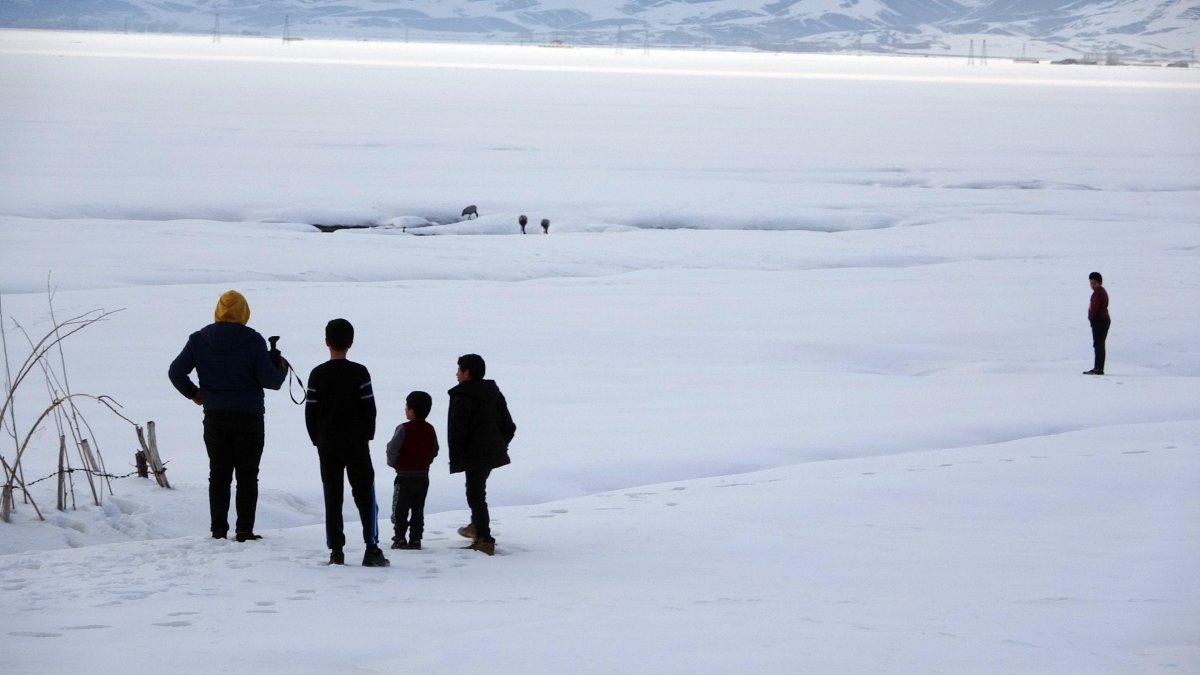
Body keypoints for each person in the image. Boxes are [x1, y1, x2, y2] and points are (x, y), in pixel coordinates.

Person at [169, 290, 287, 542]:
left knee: (219, 474)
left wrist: (195, 394)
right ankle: (244, 530)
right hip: (249, 416)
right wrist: (280, 366)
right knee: (247, 474)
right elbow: (272, 381)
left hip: (215, 415)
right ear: (244, 312)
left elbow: (176, 372)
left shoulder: (199, 339)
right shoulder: (253, 340)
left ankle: (218, 530)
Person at [305, 318, 388, 567]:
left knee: (333, 496)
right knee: (365, 494)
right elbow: (370, 408)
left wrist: (317, 439)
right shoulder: (360, 372)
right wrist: (367, 434)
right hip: (356, 442)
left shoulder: (317, 374)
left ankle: (336, 551)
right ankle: (371, 548)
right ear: (351, 342)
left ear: (326, 342)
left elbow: (311, 412)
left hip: (327, 444)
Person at [447, 354, 516, 556]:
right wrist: (498, 446)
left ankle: (484, 538)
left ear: (467, 372)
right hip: (489, 453)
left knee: (475, 494)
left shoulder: (463, 395)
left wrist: (459, 456)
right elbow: (509, 426)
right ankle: (476, 526)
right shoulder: (493, 393)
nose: (456, 374)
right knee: (477, 491)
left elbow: (457, 430)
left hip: (474, 455)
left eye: (459, 370)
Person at [385, 391, 439, 550]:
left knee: (399, 509)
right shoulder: (430, 429)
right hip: (423, 477)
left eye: (406, 407)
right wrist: (426, 462)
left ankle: (400, 538)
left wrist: (394, 464)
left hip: (403, 477)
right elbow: (434, 449)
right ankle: (416, 539)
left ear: (412, 410)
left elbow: (392, 449)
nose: (405, 409)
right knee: (418, 508)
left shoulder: (403, 428)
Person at [1084, 272, 1111, 375]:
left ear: (1099, 282)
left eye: (1094, 283)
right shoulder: (1097, 292)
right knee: (1098, 344)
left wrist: (1092, 318)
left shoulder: (1099, 293)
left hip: (1100, 321)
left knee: (1099, 344)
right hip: (1100, 321)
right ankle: (1098, 367)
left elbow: (1095, 309)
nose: (1092, 285)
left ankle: (1098, 368)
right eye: (1091, 283)